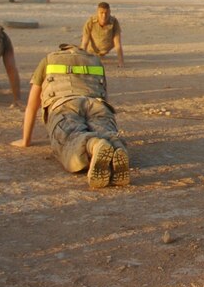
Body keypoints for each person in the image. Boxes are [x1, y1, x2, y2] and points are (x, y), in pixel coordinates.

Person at [11, 44, 129, 188]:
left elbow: (32, 105)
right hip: (97, 104)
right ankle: (116, 147)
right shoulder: (95, 61)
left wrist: (26, 140)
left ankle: (94, 145)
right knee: (107, 132)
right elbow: (104, 95)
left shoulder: (49, 60)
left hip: (65, 105)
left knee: (70, 138)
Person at [81, 2, 125, 67]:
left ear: (110, 12)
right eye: (101, 13)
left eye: (106, 13)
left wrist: (121, 62)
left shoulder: (114, 22)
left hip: (105, 50)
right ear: (97, 13)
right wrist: (82, 61)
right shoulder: (90, 22)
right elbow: (85, 42)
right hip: (90, 50)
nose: (104, 16)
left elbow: (117, 43)